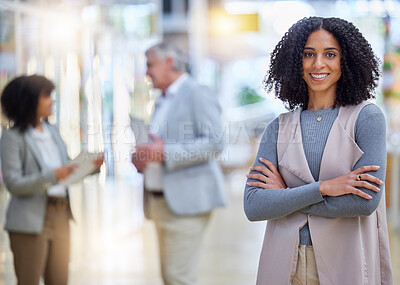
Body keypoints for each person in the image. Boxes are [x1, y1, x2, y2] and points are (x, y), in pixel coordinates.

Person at [244, 17, 393, 285]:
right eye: (308, 54)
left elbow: (364, 202)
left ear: (345, 61)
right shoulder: (279, 128)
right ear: (294, 61)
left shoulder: (366, 119)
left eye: (330, 54)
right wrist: (324, 188)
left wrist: (285, 197)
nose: (318, 64)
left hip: (346, 260)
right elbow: (254, 206)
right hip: (283, 260)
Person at [131, 42, 226, 285]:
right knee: (170, 276)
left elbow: (215, 143)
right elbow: (160, 146)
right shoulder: (163, 99)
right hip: (159, 201)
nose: (147, 72)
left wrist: (164, 153)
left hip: (187, 202)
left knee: (178, 277)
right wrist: (143, 158)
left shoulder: (197, 93)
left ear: (169, 62)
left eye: (150, 65)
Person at [0, 74, 103, 285]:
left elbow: (65, 170)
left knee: (59, 280)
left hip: (61, 215)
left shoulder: (53, 131)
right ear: (28, 100)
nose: (52, 100)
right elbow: (13, 183)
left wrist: (89, 167)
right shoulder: (12, 138)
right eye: (46, 95)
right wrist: (52, 176)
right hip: (30, 221)